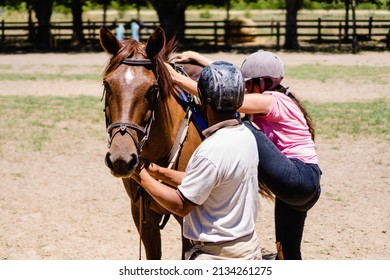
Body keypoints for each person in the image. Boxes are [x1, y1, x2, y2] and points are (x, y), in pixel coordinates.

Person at [168, 50, 322, 260]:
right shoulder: (281, 97)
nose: (244, 88)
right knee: (287, 254)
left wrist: (175, 77)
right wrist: (198, 58)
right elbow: (228, 82)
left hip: (298, 179)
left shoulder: (272, 100)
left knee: (244, 128)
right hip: (303, 187)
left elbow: (223, 94)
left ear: (263, 82)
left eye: (248, 83)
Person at [133, 61, 262, 260]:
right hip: (247, 249)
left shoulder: (210, 150)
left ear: (202, 99)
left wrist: (140, 176)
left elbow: (180, 205)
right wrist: (159, 172)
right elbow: (206, 179)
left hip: (216, 256)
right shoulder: (246, 136)